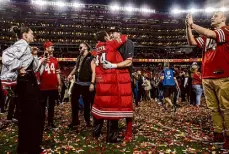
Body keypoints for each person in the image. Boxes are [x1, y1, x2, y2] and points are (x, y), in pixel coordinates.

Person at [186, 11, 229, 148]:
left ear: (223, 19)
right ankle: (217, 133)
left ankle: (228, 136)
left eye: (215, 16)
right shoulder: (207, 36)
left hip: (223, 76)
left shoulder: (225, 30)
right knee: (213, 109)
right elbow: (191, 41)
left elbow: (212, 34)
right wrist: (188, 27)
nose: (212, 17)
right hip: (207, 76)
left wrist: (193, 24)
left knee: (226, 108)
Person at [1, 25, 46, 154]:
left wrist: (39, 59)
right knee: (31, 117)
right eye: (31, 33)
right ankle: (30, 148)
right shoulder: (22, 44)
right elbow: (6, 55)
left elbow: (33, 68)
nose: (33, 36)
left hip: (28, 83)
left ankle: (28, 147)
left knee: (29, 117)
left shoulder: (26, 47)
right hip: (26, 85)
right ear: (25, 35)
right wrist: (19, 66)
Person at [92, 31, 133, 143]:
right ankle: (112, 137)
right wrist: (117, 37)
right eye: (109, 35)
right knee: (113, 109)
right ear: (106, 37)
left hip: (101, 81)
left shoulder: (97, 48)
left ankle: (96, 133)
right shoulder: (110, 45)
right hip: (110, 81)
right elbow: (124, 37)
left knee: (100, 107)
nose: (111, 36)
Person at [68, 42, 96, 128]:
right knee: (73, 102)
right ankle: (75, 120)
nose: (79, 49)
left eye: (81, 47)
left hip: (86, 84)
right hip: (77, 83)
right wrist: (70, 74)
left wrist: (92, 83)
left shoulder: (91, 58)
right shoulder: (79, 57)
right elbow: (76, 67)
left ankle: (87, 121)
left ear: (86, 48)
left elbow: (94, 71)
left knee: (87, 104)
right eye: (79, 48)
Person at [39, 41, 62, 129]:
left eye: (53, 47)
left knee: (51, 106)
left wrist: (59, 84)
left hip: (53, 86)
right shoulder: (40, 59)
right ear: (46, 48)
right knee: (42, 106)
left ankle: (50, 123)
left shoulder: (55, 60)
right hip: (43, 87)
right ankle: (41, 122)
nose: (53, 48)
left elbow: (57, 73)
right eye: (51, 47)